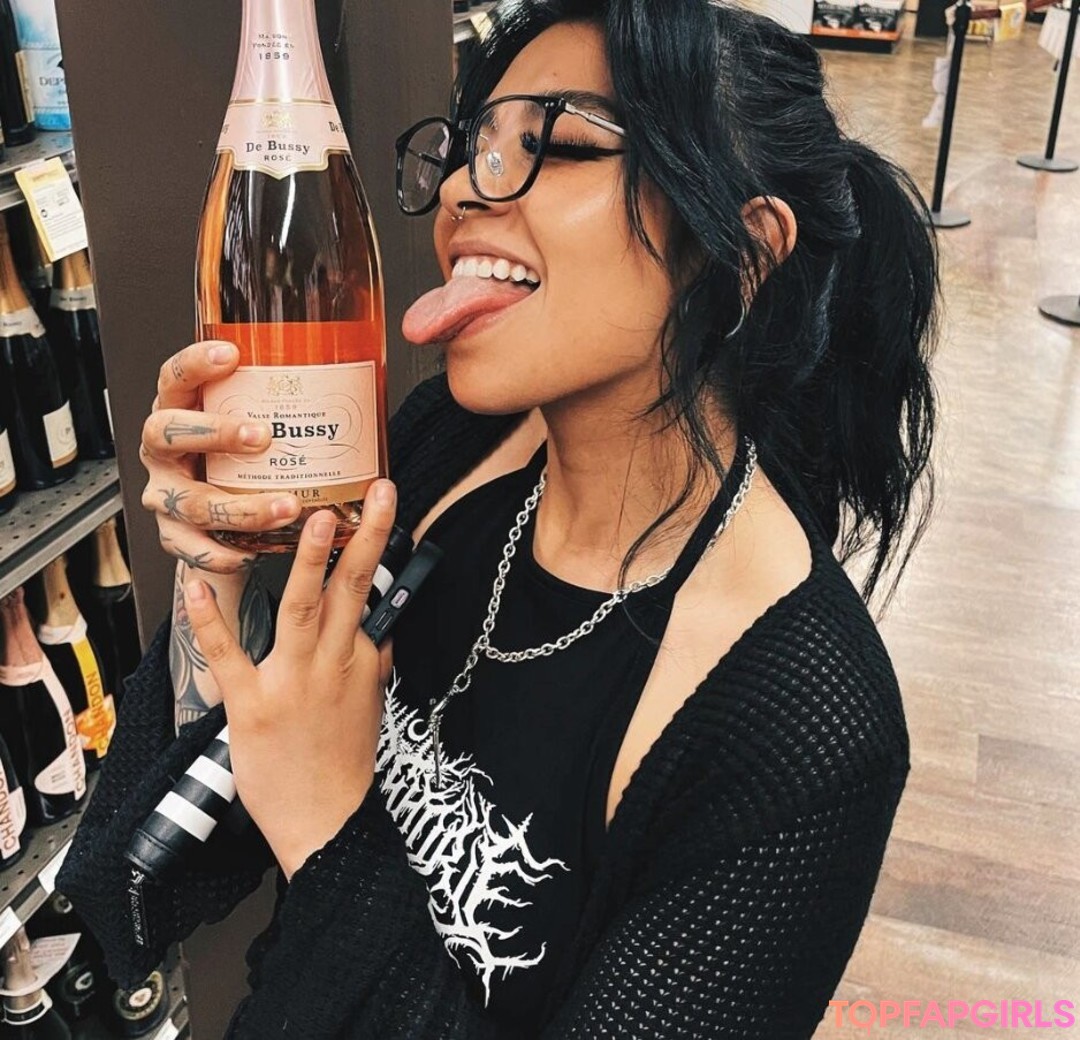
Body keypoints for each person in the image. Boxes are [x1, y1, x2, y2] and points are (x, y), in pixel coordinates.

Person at [59, 0, 939, 1036]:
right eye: (477, 144)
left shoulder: (804, 729)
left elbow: (309, 815)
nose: (466, 189)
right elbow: (168, 850)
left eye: (556, 145)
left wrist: (332, 828)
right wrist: (227, 580)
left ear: (741, 250)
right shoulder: (448, 450)